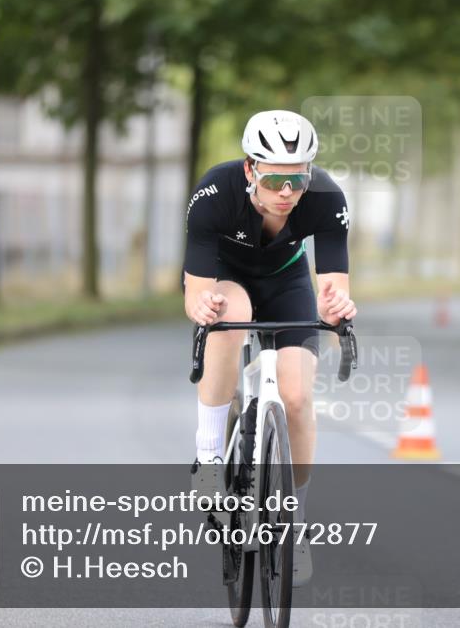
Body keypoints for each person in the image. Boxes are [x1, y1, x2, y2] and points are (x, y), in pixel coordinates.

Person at [182, 110, 357, 586]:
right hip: (228, 279)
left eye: (297, 179)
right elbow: (195, 295)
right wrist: (202, 309)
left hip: (287, 281)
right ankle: (210, 454)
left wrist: (338, 303)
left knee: (298, 398)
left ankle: (293, 520)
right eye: (275, 178)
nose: (286, 192)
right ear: (249, 170)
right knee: (228, 316)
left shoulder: (325, 197)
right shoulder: (214, 195)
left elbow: (333, 290)